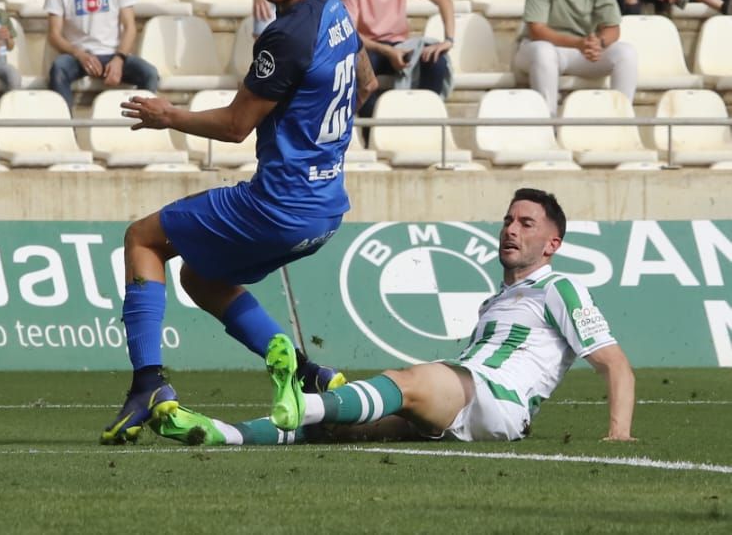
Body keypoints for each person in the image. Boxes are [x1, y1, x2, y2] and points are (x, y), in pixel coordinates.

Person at [106, 0, 375, 444]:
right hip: (325, 211)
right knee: (200, 277)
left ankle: (148, 384)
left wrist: (168, 116)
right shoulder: (335, 11)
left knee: (142, 238)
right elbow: (365, 81)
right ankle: (303, 371)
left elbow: (234, 127)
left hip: (277, 205)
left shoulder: (288, 36)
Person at [154, 189, 635, 450]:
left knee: (407, 380)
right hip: (469, 401)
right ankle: (224, 433)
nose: (510, 229)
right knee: (340, 430)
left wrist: (618, 433)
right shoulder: (496, 302)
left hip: (494, 398)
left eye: (526, 224)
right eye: (509, 219)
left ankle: (301, 402)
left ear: (552, 244)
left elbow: (616, 365)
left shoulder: (559, 287)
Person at [514, 0, 637, 111]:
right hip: (545, 50)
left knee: (626, 53)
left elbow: (612, 28)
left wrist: (598, 43)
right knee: (543, 52)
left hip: (584, 52)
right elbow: (536, 30)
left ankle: (622, 119)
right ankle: (548, 121)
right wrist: (577, 43)